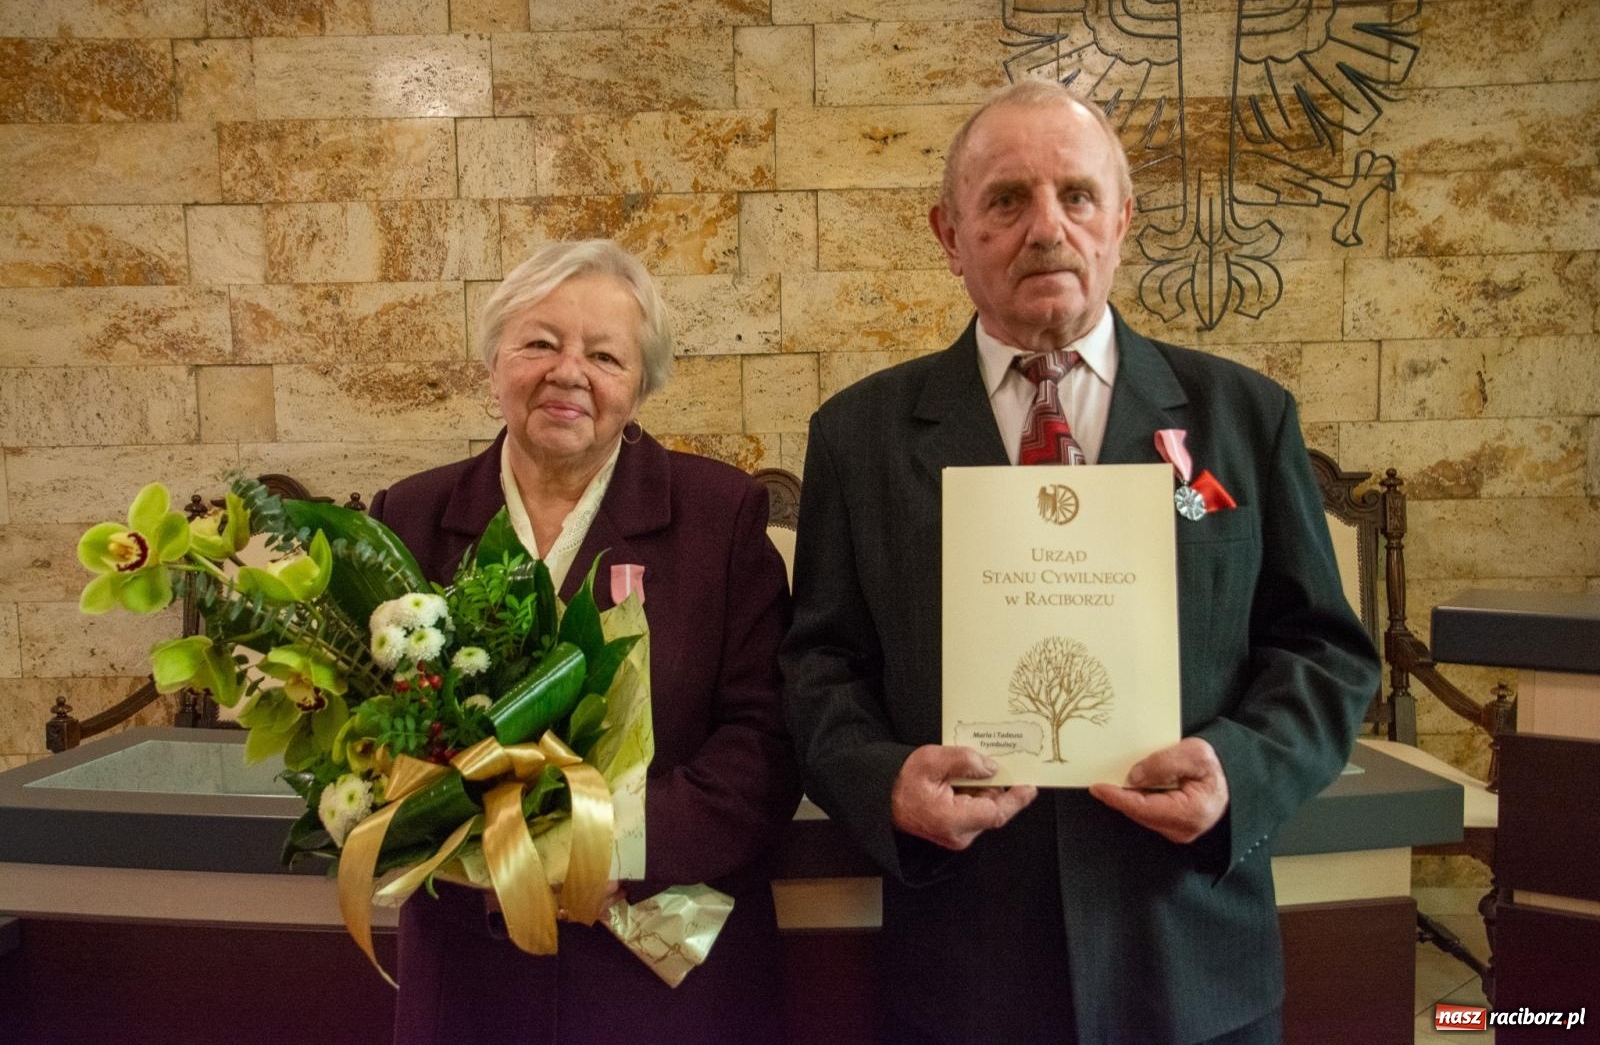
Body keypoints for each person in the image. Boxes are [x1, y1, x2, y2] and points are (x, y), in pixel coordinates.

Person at [780, 79, 1380, 1044]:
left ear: (1122, 221)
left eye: (1078, 195)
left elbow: (1325, 652)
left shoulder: (1244, 417)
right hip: (965, 968)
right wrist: (885, 785)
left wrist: (1237, 773)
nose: (1047, 228)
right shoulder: (859, 436)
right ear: (949, 234)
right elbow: (819, 666)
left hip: (1190, 958)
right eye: (1007, 200)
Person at [369, 239, 800, 1045]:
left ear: (641, 386)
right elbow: (366, 734)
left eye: (604, 355)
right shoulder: (411, 518)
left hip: (662, 988)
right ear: (493, 363)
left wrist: (599, 845)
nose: (568, 373)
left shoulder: (720, 518)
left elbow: (766, 744)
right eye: (539, 343)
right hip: (473, 979)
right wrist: (475, 848)